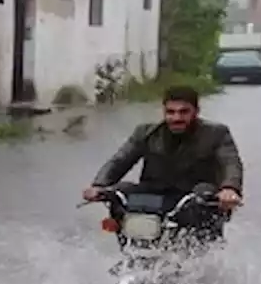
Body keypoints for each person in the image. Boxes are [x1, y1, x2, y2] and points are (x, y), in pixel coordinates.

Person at [81, 85, 244, 210]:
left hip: (195, 197)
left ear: (196, 111)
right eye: (170, 112)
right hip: (155, 195)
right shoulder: (146, 133)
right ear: (164, 111)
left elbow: (230, 163)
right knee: (120, 192)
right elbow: (120, 160)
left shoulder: (217, 133)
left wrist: (229, 188)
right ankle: (129, 249)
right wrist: (99, 186)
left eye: (184, 112)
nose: (176, 118)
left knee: (202, 196)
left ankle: (204, 252)